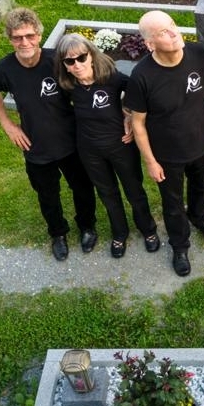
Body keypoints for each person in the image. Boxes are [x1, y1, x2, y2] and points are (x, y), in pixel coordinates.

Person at [0, 8, 97, 261]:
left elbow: (87, 78)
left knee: (82, 188)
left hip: (71, 142)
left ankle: (87, 227)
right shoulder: (4, 69)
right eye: (17, 37)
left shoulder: (56, 60)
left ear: (38, 35)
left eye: (29, 35)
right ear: (10, 39)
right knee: (47, 195)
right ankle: (58, 233)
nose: (24, 42)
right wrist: (7, 124)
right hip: (36, 147)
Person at [126, 11, 204, 277]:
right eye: (164, 32)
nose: (174, 32)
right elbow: (138, 123)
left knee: (201, 185)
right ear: (150, 44)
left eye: (172, 26)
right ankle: (180, 245)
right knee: (173, 202)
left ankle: (200, 218)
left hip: (201, 142)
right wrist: (151, 161)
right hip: (167, 156)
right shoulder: (142, 75)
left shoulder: (200, 54)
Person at [54, 33, 159, 259]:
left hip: (121, 146)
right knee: (108, 193)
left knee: (134, 190)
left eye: (81, 58)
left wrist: (129, 115)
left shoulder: (111, 78)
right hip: (90, 151)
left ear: (91, 55)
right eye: (69, 61)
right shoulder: (68, 86)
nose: (77, 65)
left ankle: (148, 229)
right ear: (64, 65)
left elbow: (137, 91)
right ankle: (119, 233)